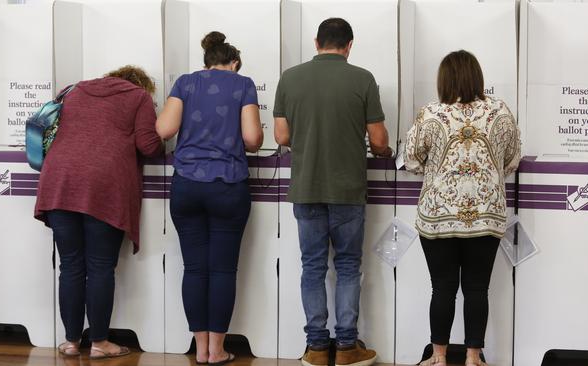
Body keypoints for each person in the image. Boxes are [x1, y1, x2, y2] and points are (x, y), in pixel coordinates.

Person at [273, 17, 392, 366]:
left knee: (312, 268)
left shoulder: (290, 78)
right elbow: (380, 140)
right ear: (349, 45)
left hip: (306, 188)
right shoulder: (363, 79)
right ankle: (347, 347)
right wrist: (380, 151)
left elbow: (281, 137)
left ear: (316, 42)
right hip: (347, 189)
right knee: (348, 266)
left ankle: (316, 347)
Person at [34, 66, 163, 359]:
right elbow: (148, 145)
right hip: (103, 185)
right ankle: (100, 343)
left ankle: (70, 342)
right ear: (140, 85)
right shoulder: (139, 97)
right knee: (100, 267)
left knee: (70, 265)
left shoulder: (75, 90)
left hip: (59, 182)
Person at [403, 50, 521, 366]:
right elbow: (512, 159)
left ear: (444, 79)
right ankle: (472, 358)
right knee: (477, 288)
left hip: (438, 215)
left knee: (442, 288)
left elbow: (412, 160)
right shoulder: (501, 111)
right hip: (487, 213)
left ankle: (438, 357)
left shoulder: (431, 113)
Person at [156, 31, 263, 365]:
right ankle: (217, 351)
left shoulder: (185, 83)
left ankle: (200, 348)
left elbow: (163, 130)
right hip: (227, 186)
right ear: (233, 63)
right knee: (222, 271)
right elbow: (252, 138)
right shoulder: (242, 83)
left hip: (186, 185)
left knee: (194, 268)